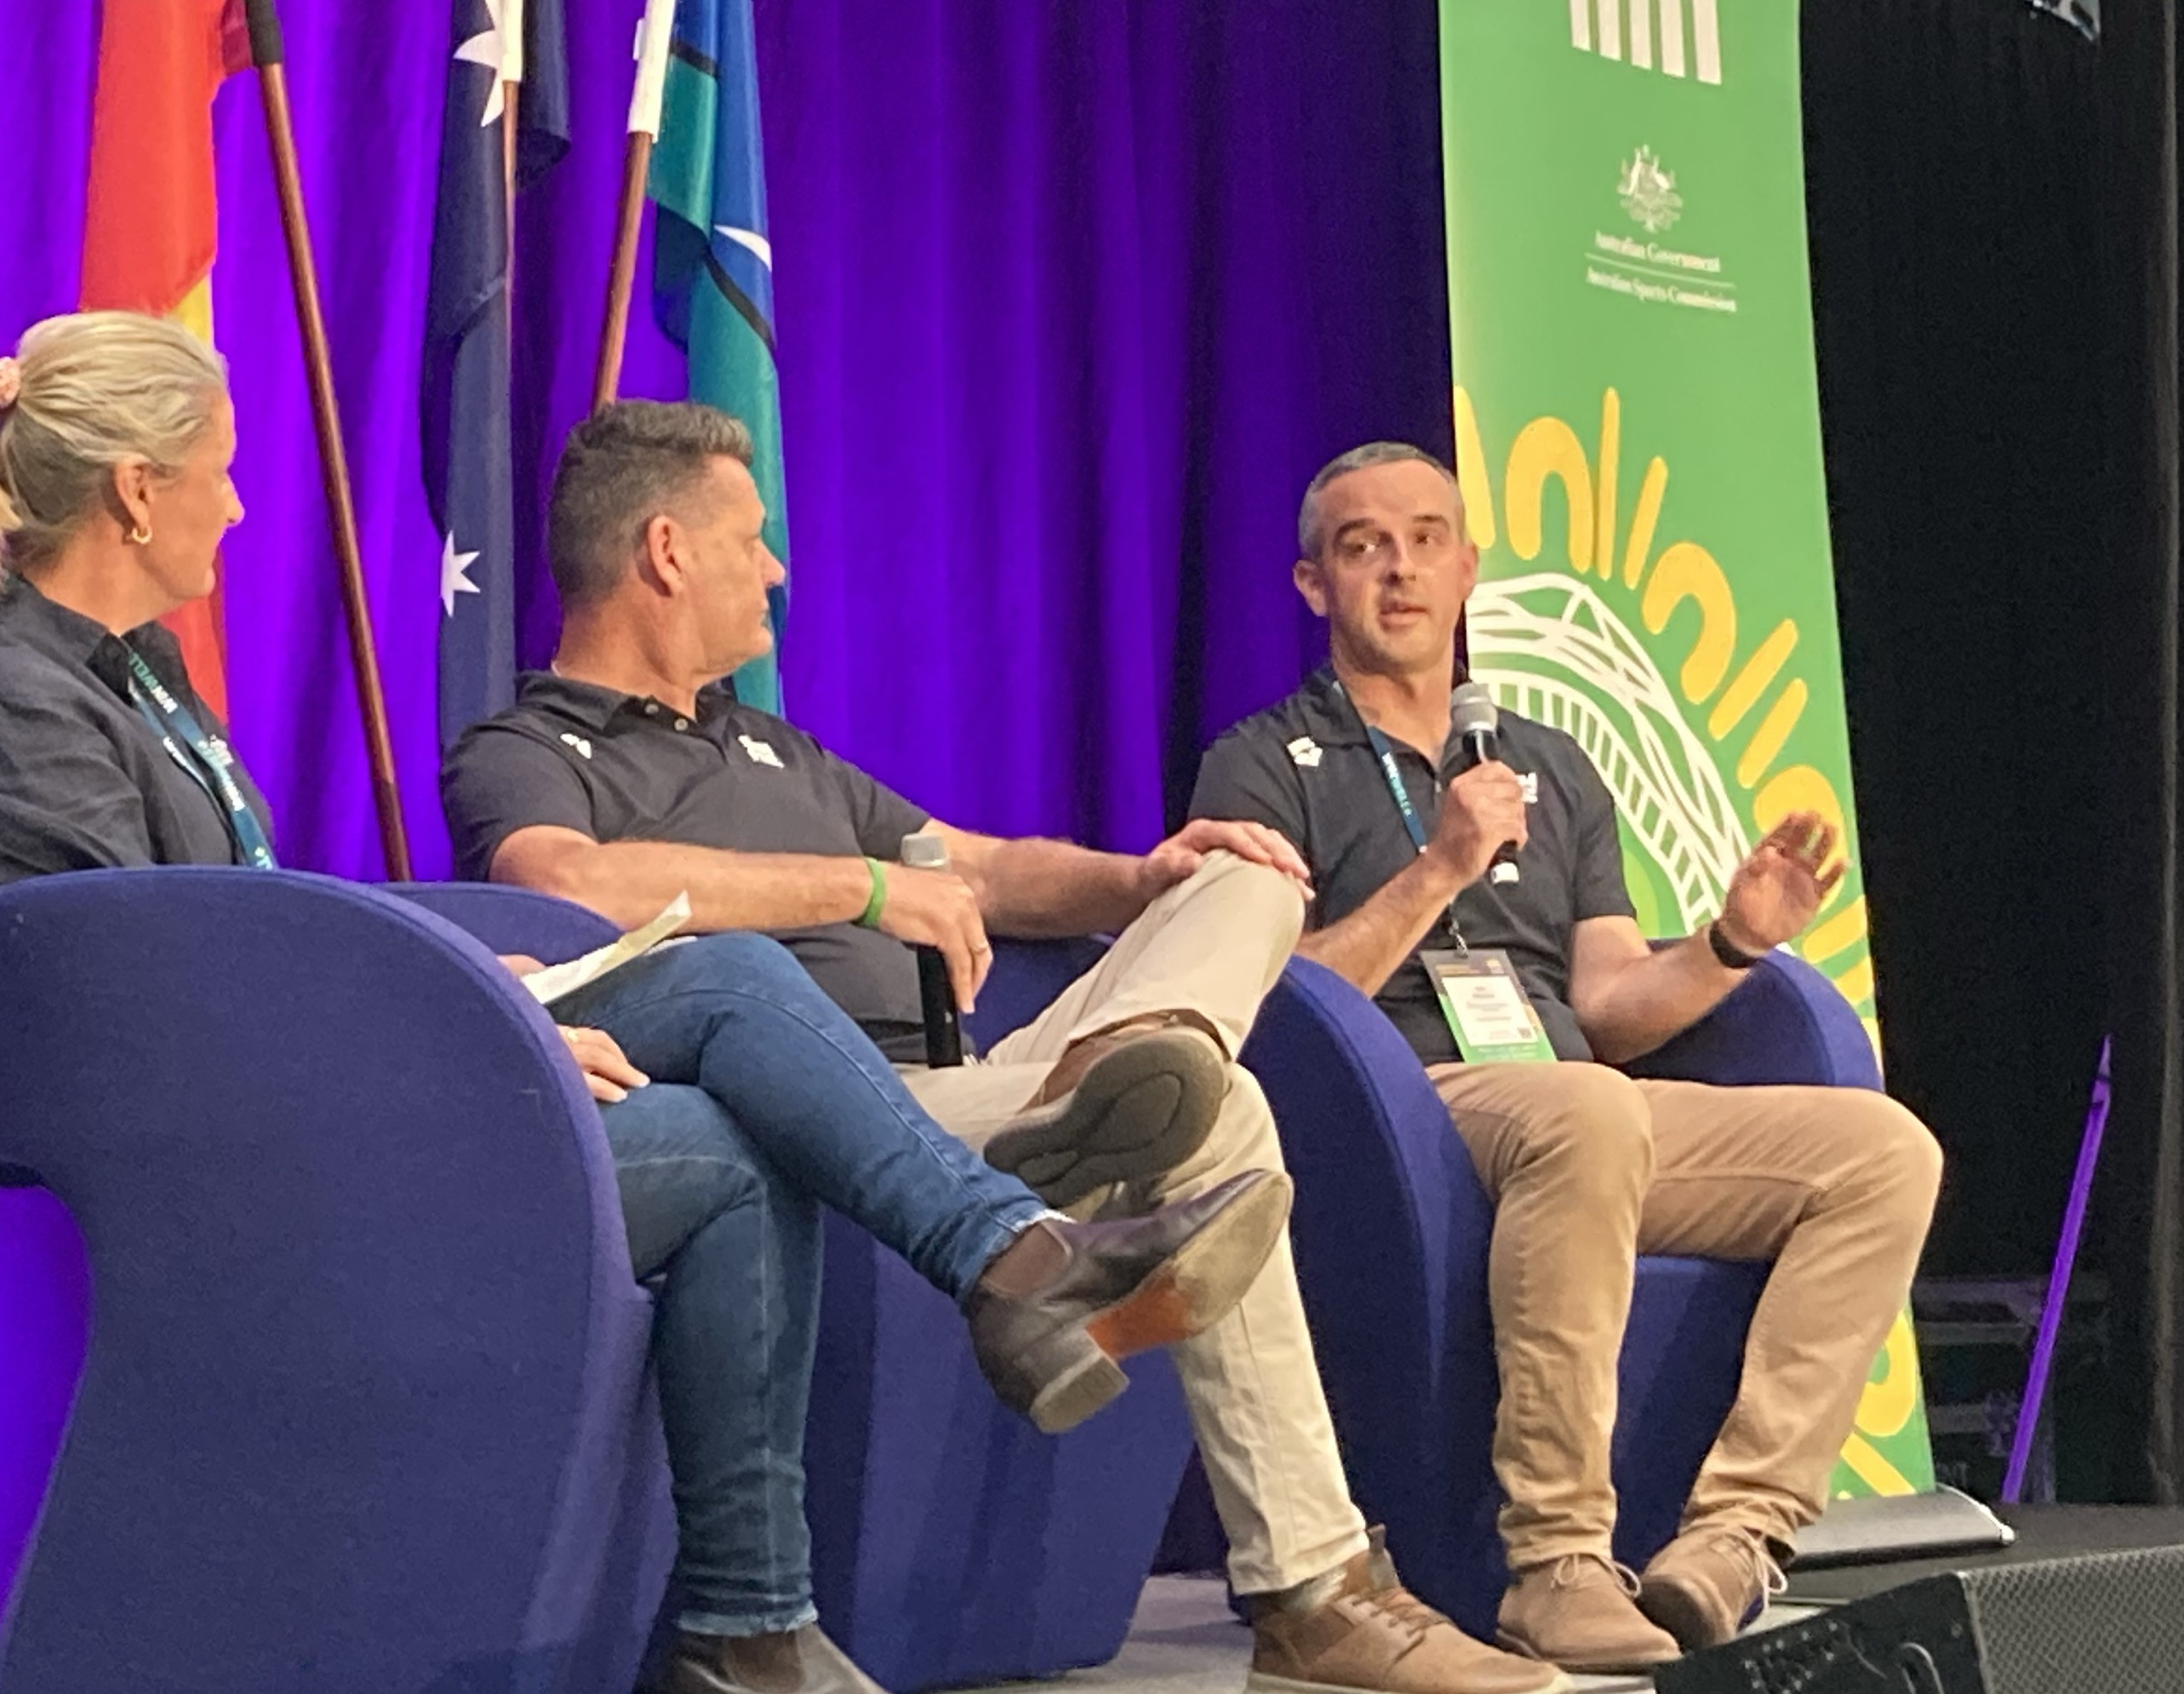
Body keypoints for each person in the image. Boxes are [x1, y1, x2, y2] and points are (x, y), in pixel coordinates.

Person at [0, 312, 1289, 1694]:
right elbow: (163, 1004)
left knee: (728, 1022)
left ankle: (797, 1566)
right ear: (136, 492)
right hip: (250, 1178)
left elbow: (234, 954)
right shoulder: (16, 708)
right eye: (221, 473)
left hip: (301, 1116)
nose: (239, 510)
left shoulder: (128, 683)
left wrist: (485, 998)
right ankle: (939, 1372)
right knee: (737, 1143)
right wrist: (464, 1045)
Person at [444, 400, 1566, 1694]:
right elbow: (570, 884)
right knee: (1231, 1120)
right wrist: (856, 890)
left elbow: (975, 867)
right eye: (751, 541)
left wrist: (1142, 878)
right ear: (665, 552)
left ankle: (1145, 1057)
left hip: (976, 1088)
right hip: (822, 1124)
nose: (776, 569)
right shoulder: (527, 750)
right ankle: (1314, 1591)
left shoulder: (771, 744)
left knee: (1247, 884)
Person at [1186, 441, 1946, 1673]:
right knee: (1587, 1111)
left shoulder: (1547, 761)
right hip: (1403, 1113)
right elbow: (1275, 1001)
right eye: (1363, 545)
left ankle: (1738, 1535)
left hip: (1573, 1106)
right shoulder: (1265, 763)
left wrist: (1727, 941)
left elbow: (1605, 1000)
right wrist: (1439, 865)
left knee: (1880, 1152)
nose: (1400, 570)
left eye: (1427, 538)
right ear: (1312, 584)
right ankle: (1553, 1558)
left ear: (1468, 568)